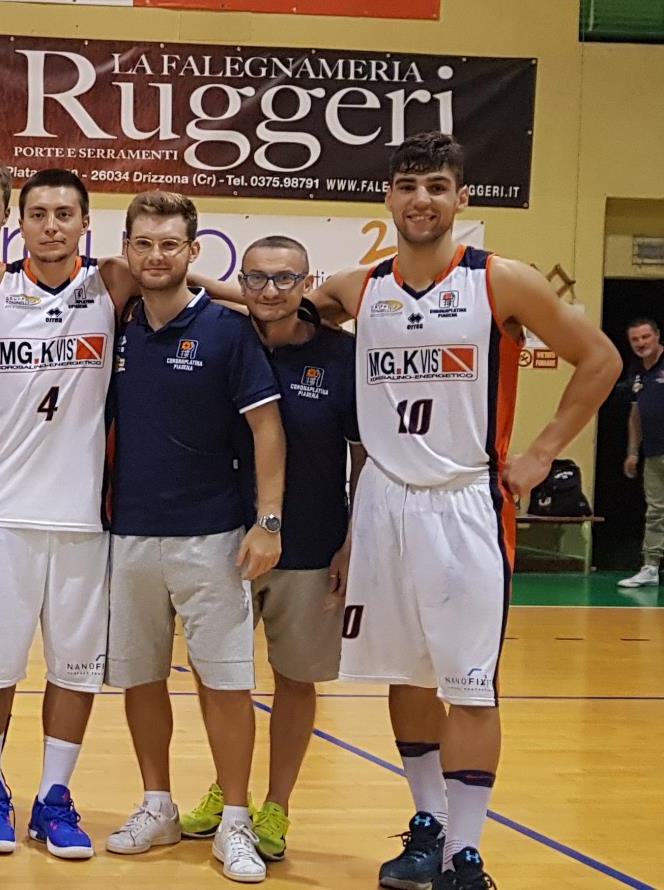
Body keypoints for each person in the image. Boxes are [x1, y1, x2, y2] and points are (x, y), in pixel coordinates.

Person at [282, 132, 617, 890]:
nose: (421, 199)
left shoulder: (502, 281)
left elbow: (599, 359)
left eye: (437, 186)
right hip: (382, 503)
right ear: (388, 197)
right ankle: (428, 827)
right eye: (408, 185)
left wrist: (542, 452)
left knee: (468, 684)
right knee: (407, 676)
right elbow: (275, 306)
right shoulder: (360, 288)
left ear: (462, 197)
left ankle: (467, 853)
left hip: (465, 502)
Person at [98, 191, 286, 885]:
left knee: (226, 683)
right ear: (127, 248)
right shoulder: (117, 325)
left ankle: (235, 818)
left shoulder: (228, 331)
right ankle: (158, 805)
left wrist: (269, 521)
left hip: (213, 536)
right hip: (129, 533)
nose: (156, 256)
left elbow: (268, 429)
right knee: (141, 678)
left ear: (193, 251)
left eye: (169, 244)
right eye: (143, 244)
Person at [0, 168, 145, 861]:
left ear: (85, 223)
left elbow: (183, 284)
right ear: (21, 223)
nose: (51, 226)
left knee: (74, 667)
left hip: (83, 515)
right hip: (4, 508)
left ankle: (55, 797)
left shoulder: (112, 282)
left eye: (65, 214)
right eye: (38, 213)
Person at [177, 236, 365, 864]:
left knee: (295, 679)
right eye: (256, 279)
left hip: (310, 543)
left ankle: (277, 804)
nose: (270, 291)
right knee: (217, 676)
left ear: (307, 283)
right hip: (224, 539)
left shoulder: (340, 356)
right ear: (242, 283)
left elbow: (363, 456)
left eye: (285, 279)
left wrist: (352, 541)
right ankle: (229, 791)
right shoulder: (226, 340)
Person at [621, 317, 664, 588]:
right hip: (654, 452)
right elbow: (635, 415)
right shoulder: (637, 371)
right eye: (635, 339)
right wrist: (633, 452)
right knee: (656, 511)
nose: (641, 343)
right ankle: (651, 567)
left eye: (646, 337)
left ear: (657, 336)